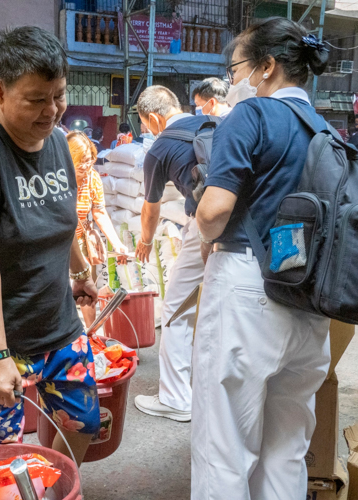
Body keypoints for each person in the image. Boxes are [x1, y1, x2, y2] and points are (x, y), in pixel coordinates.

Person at [0, 26, 100, 463]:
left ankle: (50, 487)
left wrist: (80, 271)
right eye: (36, 99)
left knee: (83, 422)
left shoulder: (58, 144)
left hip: (58, 325)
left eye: (59, 96)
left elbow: (61, 218)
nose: (51, 111)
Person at [193, 17, 331, 500]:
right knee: (286, 448)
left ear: (266, 67)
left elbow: (214, 211)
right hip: (310, 300)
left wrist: (199, 229)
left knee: (225, 445)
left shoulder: (248, 118)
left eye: (236, 70)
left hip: (247, 287)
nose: (233, 82)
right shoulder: (327, 131)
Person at [133, 86, 212, 423]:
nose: (149, 132)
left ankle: (176, 398)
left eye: (146, 126)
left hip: (206, 224)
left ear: (154, 118)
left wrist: (146, 242)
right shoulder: (212, 123)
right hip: (246, 226)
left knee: (176, 309)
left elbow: (151, 209)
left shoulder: (160, 147)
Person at [67, 131, 129, 326]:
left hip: (82, 240)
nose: (86, 165)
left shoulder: (92, 178)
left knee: (87, 290)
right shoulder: (57, 178)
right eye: (81, 161)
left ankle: (90, 335)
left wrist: (116, 243)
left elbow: (99, 212)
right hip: (60, 242)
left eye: (90, 160)